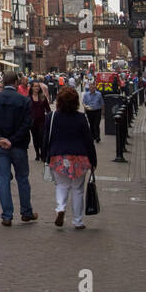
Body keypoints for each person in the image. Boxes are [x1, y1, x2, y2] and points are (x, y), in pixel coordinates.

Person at [0, 70, 37, 226]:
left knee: (3, 180)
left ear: (4, 83)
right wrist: (12, 140)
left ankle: (7, 215)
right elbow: (27, 124)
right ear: (16, 83)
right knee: (22, 179)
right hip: (18, 145)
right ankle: (26, 212)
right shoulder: (23, 100)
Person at [45, 86, 97, 229]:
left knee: (61, 185)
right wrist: (93, 160)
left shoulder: (52, 117)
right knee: (78, 189)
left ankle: (60, 208)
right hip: (79, 157)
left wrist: (46, 156)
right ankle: (78, 221)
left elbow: (46, 139)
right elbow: (88, 140)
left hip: (58, 156)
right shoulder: (81, 118)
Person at [30, 82, 51, 162]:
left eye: (38, 86)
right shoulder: (28, 98)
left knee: (42, 138)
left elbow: (48, 109)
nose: (37, 88)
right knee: (35, 139)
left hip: (42, 121)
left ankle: (43, 154)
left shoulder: (42, 97)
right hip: (33, 122)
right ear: (32, 87)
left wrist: (49, 117)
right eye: (35, 86)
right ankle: (37, 154)